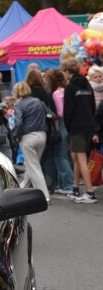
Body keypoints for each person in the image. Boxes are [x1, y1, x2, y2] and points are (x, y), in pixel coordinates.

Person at [62, 60, 98, 203]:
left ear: (67, 72)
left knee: (81, 159)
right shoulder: (87, 85)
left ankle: (90, 192)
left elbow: (68, 110)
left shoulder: (70, 87)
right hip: (89, 125)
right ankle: (75, 189)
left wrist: (69, 126)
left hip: (77, 127)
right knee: (77, 158)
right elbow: (93, 105)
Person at [12, 82, 50, 200]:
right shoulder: (38, 101)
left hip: (28, 137)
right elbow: (50, 114)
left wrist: (14, 134)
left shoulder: (19, 104)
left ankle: (44, 195)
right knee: (32, 163)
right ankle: (24, 186)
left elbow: (18, 122)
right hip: (42, 135)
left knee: (33, 165)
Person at [46, 69, 74, 195]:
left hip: (60, 125)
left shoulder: (56, 93)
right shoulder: (65, 91)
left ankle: (68, 184)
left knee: (60, 157)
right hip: (68, 126)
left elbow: (61, 112)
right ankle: (65, 184)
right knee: (64, 156)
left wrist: (51, 115)